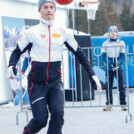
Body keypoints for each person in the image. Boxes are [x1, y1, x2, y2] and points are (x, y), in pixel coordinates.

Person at [7, 0, 102, 134]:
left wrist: (92, 75)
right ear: (39, 10)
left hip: (55, 83)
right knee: (40, 120)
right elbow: (16, 52)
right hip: (37, 84)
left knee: (58, 114)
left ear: (55, 10)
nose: (49, 10)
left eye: (52, 7)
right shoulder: (31, 33)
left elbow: (80, 54)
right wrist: (11, 65)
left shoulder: (63, 32)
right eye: (45, 7)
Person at [101, 26, 127, 111]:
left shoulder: (121, 42)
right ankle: (109, 104)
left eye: (114, 31)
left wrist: (118, 62)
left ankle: (123, 104)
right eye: (111, 31)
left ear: (116, 33)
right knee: (109, 86)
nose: (113, 33)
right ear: (109, 33)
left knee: (121, 86)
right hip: (109, 67)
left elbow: (123, 56)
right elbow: (103, 56)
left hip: (119, 67)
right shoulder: (105, 43)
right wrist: (110, 63)